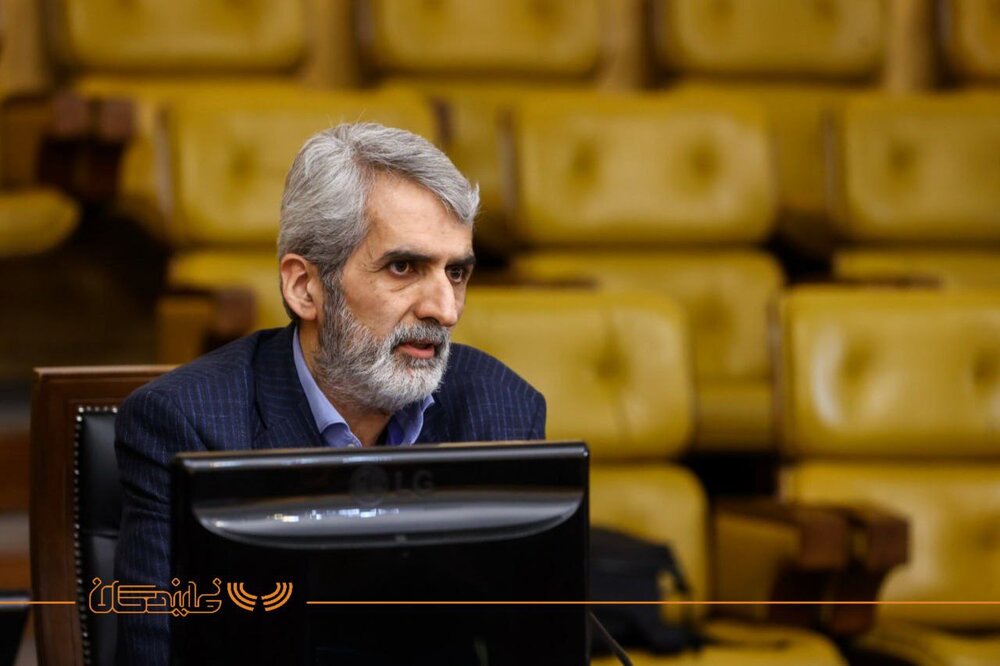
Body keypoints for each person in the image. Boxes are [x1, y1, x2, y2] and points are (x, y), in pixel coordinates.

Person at [114, 123, 546, 665]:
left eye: (456, 272)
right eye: (404, 267)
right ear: (305, 288)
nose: (445, 309)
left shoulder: (502, 410)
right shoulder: (186, 425)